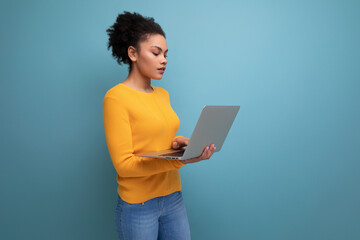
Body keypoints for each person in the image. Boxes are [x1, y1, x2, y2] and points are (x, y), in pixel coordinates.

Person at [103, 11, 216, 240]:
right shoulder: (115, 98)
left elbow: (158, 141)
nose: (163, 59)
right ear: (133, 53)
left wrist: (183, 145)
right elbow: (124, 165)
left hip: (173, 196)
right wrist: (179, 162)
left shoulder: (163, 94)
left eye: (165, 54)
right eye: (156, 53)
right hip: (138, 205)